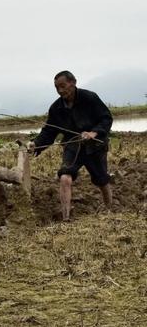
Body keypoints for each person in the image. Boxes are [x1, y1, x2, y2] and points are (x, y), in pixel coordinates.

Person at [27, 70, 113, 221]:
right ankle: (66, 218)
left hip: (95, 146)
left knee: (102, 180)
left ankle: (109, 210)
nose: (60, 90)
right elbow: (49, 131)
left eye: (63, 86)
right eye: (57, 88)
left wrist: (94, 133)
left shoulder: (89, 98)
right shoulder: (56, 108)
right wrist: (36, 144)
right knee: (65, 177)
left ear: (73, 83)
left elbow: (106, 118)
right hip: (73, 147)